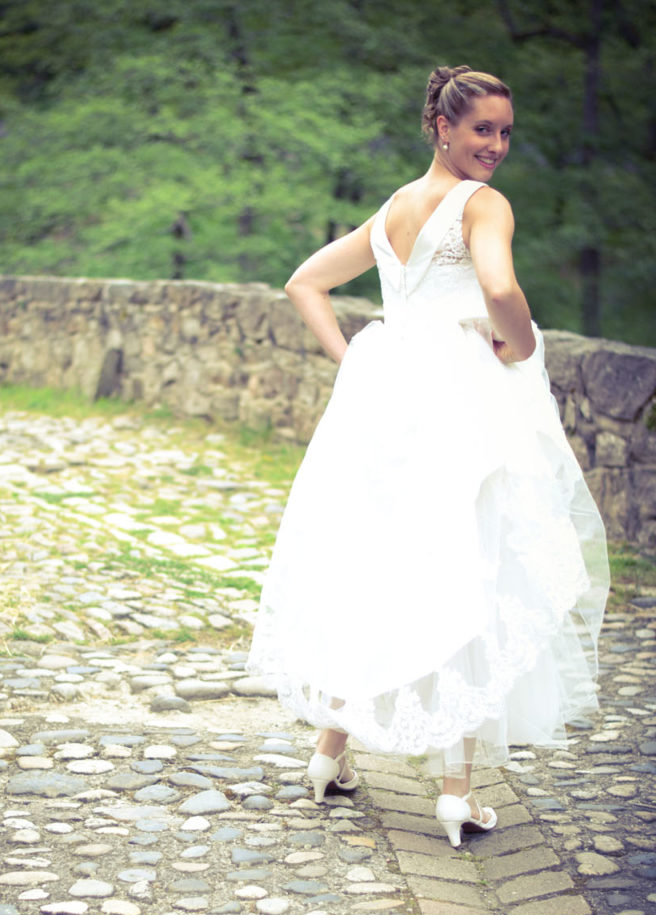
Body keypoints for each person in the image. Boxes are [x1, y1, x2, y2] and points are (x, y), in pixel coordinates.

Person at [246, 65, 609, 848]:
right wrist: (515, 340)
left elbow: (304, 283)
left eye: (506, 132)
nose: (498, 146)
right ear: (442, 128)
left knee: (378, 562)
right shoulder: (483, 205)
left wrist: (355, 360)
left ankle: (327, 755)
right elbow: (501, 285)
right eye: (483, 129)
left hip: (386, 404)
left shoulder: (394, 209)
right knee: (463, 566)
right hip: (458, 404)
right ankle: (454, 791)